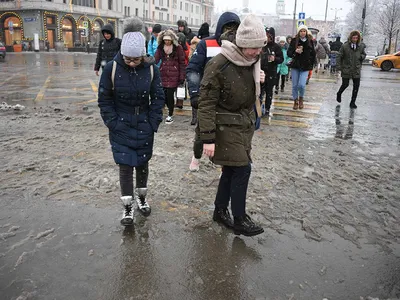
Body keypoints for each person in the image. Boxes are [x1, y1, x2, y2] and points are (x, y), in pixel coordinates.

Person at [197, 14, 266, 237]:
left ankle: (219, 210)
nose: (257, 53)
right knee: (242, 168)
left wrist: (258, 80)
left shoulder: (251, 61)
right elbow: (205, 103)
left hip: (243, 124)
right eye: (253, 48)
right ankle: (239, 218)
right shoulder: (219, 64)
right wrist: (207, 138)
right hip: (224, 124)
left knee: (231, 168)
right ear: (242, 44)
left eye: (260, 47)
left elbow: (246, 90)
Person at [97, 27, 165, 226]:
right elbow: (104, 99)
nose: (132, 63)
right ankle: (127, 206)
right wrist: (113, 123)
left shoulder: (152, 69)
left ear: (143, 56)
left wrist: (153, 122)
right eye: (128, 59)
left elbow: (158, 97)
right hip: (121, 124)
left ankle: (141, 197)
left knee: (143, 163)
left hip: (144, 123)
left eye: (136, 59)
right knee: (125, 165)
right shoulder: (112, 68)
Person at [186, 11, 241, 171]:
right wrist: (195, 93)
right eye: (227, 28)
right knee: (202, 133)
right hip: (208, 97)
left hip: (230, 99)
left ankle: (224, 163)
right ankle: (196, 157)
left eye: (234, 28)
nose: (230, 32)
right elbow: (193, 69)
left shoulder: (240, 47)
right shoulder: (206, 44)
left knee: (228, 135)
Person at [154, 30, 186, 124]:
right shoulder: (160, 48)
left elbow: (182, 63)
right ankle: (164, 112)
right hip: (163, 73)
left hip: (174, 75)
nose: (167, 42)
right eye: (165, 40)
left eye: (168, 40)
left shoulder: (178, 48)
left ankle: (170, 113)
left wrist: (182, 76)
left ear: (172, 40)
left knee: (170, 96)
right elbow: (155, 59)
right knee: (162, 95)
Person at [287, 25, 316, 110]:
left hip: (305, 66)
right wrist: (295, 51)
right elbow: (289, 53)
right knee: (295, 85)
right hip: (295, 65)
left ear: (306, 32)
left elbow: (313, 54)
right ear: (298, 32)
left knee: (302, 85)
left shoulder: (310, 41)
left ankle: (301, 99)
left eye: (304, 31)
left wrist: (311, 63)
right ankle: (295, 101)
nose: (303, 33)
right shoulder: (294, 41)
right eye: (301, 31)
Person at [336, 30, 366, 109]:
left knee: (356, 86)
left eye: (356, 38)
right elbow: (339, 56)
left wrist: (361, 57)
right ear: (351, 37)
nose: (355, 39)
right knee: (345, 84)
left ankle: (353, 102)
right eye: (353, 37)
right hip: (346, 68)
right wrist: (339, 67)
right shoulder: (345, 46)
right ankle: (339, 93)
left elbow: (364, 54)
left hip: (356, 69)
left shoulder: (361, 46)